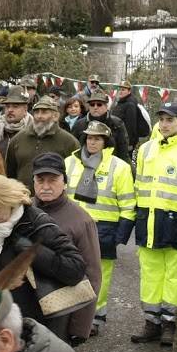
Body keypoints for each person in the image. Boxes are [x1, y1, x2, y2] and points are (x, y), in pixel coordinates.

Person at [0, 173, 86, 341]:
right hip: (1, 328)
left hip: (42, 329)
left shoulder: (37, 223)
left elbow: (75, 269)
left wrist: (32, 251)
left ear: (8, 200)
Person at [132, 101, 177, 346]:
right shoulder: (145, 150)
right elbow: (139, 188)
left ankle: (169, 324)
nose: (164, 124)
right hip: (150, 224)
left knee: (175, 279)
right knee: (150, 276)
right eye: (161, 119)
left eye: (170, 120)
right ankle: (151, 322)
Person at [65, 121, 135, 336]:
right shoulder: (69, 162)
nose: (92, 142)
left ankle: (95, 317)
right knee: (70, 273)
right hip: (72, 227)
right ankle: (69, 314)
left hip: (103, 230)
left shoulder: (119, 167)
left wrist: (119, 236)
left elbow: (128, 203)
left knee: (99, 277)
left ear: (105, 141)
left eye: (97, 138)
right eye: (89, 137)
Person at [31, 153, 102, 346]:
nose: (45, 186)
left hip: (60, 314)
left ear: (65, 182)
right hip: (23, 311)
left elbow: (92, 276)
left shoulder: (81, 220)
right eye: (40, 180)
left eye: (53, 180)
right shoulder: (21, 211)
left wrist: (79, 328)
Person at [5, 96, 79, 189]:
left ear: (55, 116)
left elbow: (76, 174)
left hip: (54, 199)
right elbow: (10, 173)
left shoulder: (69, 142)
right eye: (36, 112)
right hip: (22, 198)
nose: (39, 116)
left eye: (44, 112)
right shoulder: (18, 139)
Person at [71, 94, 131, 163]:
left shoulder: (117, 124)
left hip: (110, 166)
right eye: (92, 105)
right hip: (84, 165)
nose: (95, 107)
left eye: (99, 104)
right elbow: (74, 148)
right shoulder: (79, 124)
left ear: (106, 106)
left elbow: (123, 150)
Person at [0, 85, 31, 158]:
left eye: (15, 106)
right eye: (7, 106)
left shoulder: (33, 132)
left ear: (25, 110)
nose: (10, 110)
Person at [111, 80, 148, 154]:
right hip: (118, 139)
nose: (120, 92)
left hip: (125, 143)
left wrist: (129, 143)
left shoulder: (130, 105)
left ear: (129, 91)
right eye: (120, 89)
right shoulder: (121, 102)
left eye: (123, 90)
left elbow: (130, 126)